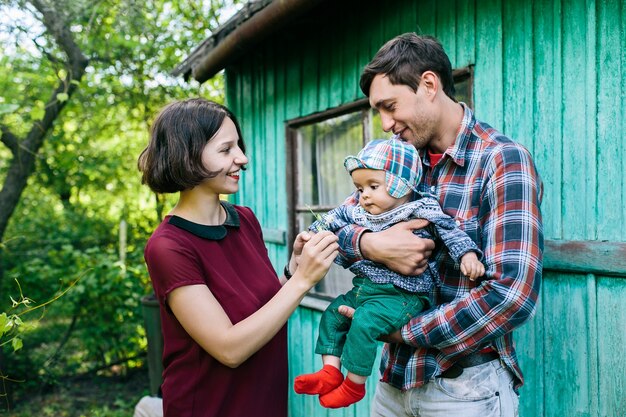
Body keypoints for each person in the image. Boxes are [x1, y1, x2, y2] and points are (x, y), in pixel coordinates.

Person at [335, 33, 544, 416]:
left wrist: (405, 333)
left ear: (429, 84)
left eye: (390, 106)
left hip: (465, 391)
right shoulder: (397, 160)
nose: (385, 124)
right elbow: (340, 226)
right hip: (391, 384)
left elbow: (512, 295)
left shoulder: (501, 161)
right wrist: (370, 245)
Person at [137, 98, 339, 417]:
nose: (242, 158)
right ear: (186, 155)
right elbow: (229, 348)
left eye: (238, 147)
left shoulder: (243, 219)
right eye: (226, 149)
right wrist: (302, 282)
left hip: (263, 404)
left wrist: (291, 270)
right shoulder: (168, 246)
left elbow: (257, 307)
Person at [293, 138, 485, 408]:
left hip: (403, 294)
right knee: (333, 315)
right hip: (365, 290)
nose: (365, 195)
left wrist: (467, 254)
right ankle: (330, 371)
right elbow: (333, 219)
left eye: (373, 186)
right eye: (359, 188)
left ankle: (354, 385)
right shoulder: (360, 210)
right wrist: (313, 233)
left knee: (364, 322)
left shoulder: (420, 208)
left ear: (400, 184)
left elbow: (450, 230)